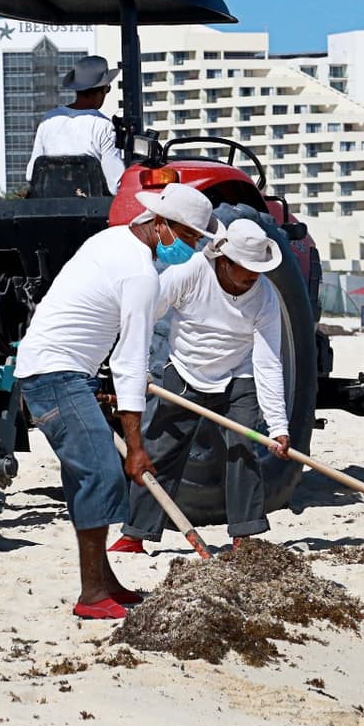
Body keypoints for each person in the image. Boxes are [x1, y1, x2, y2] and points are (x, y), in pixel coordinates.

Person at [15, 183, 219, 620]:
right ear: (160, 224)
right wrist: (138, 447)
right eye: (186, 238)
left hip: (55, 369)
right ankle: (92, 596)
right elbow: (129, 363)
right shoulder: (141, 276)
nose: (190, 249)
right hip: (55, 374)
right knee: (103, 474)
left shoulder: (111, 240)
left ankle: (105, 582)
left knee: (84, 477)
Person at [111, 217, 291, 554]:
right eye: (246, 268)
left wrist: (278, 426)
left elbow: (268, 361)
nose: (254, 276)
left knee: (243, 445)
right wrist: (132, 365)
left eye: (258, 268)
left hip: (239, 376)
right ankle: (136, 533)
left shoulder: (265, 295)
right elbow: (146, 313)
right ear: (223, 260)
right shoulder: (192, 270)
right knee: (161, 450)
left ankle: (244, 537)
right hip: (185, 371)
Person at [25, 55, 126, 195]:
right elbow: (114, 184)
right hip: (91, 209)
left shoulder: (48, 120)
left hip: (50, 206)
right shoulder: (104, 126)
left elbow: (31, 175)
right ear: (102, 90)